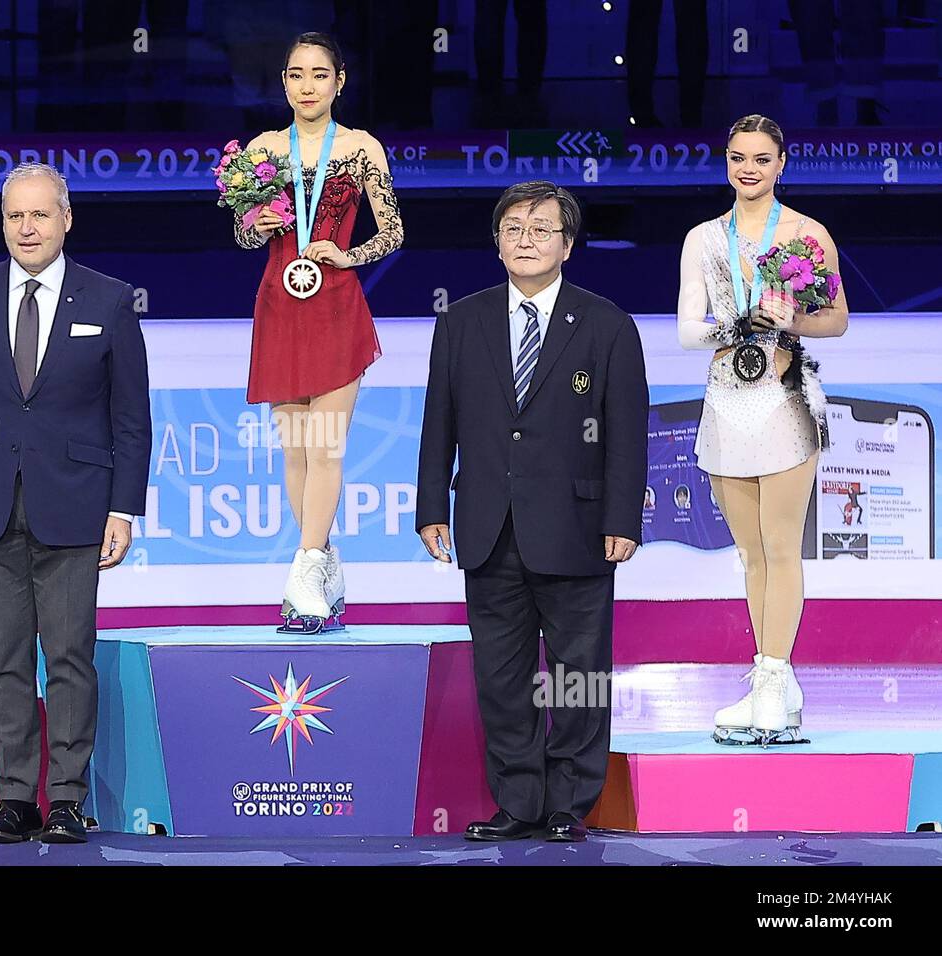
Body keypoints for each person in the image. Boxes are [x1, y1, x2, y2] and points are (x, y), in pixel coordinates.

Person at [0, 163, 150, 844]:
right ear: (3, 223)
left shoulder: (108, 300)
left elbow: (131, 418)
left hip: (77, 507)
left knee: (71, 655)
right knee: (4, 660)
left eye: (40, 215)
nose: (27, 227)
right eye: (15, 216)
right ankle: (16, 798)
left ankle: (66, 801)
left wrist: (123, 509)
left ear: (66, 219)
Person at [416, 181, 648, 842]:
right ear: (496, 241)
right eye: (514, 227)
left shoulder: (606, 324)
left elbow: (626, 433)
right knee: (503, 677)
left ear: (568, 245)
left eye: (542, 228)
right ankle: (518, 803)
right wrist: (432, 505)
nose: (526, 239)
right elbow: (440, 423)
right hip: (487, 526)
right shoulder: (460, 322)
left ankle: (568, 803)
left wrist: (622, 520)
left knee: (578, 676)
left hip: (577, 528)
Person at [677, 113, 848, 745]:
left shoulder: (807, 235)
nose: (748, 169)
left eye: (761, 159)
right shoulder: (703, 239)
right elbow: (688, 331)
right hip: (725, 402)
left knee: (781, 547)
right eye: (737, 157)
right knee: (749, 553)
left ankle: (773, 678)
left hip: (785, 399)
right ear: (726, 162)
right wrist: (742, 320)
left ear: (781, 165)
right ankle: (773, 675)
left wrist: (790, 320)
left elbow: (837, 320)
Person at [234, 32, 403, 634]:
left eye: (319, 75)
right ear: (284, 83)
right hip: (280, 302)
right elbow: (246, 238)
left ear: (340, 82)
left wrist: (348, 253)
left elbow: (392, 232)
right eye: (296, 75)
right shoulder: (261, 150)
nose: (307, 86)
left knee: (326, 444)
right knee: (295, 449)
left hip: (334, 301)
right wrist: (266, 219)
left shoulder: (360, 149)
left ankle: (305, 568)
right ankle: (324, 564)